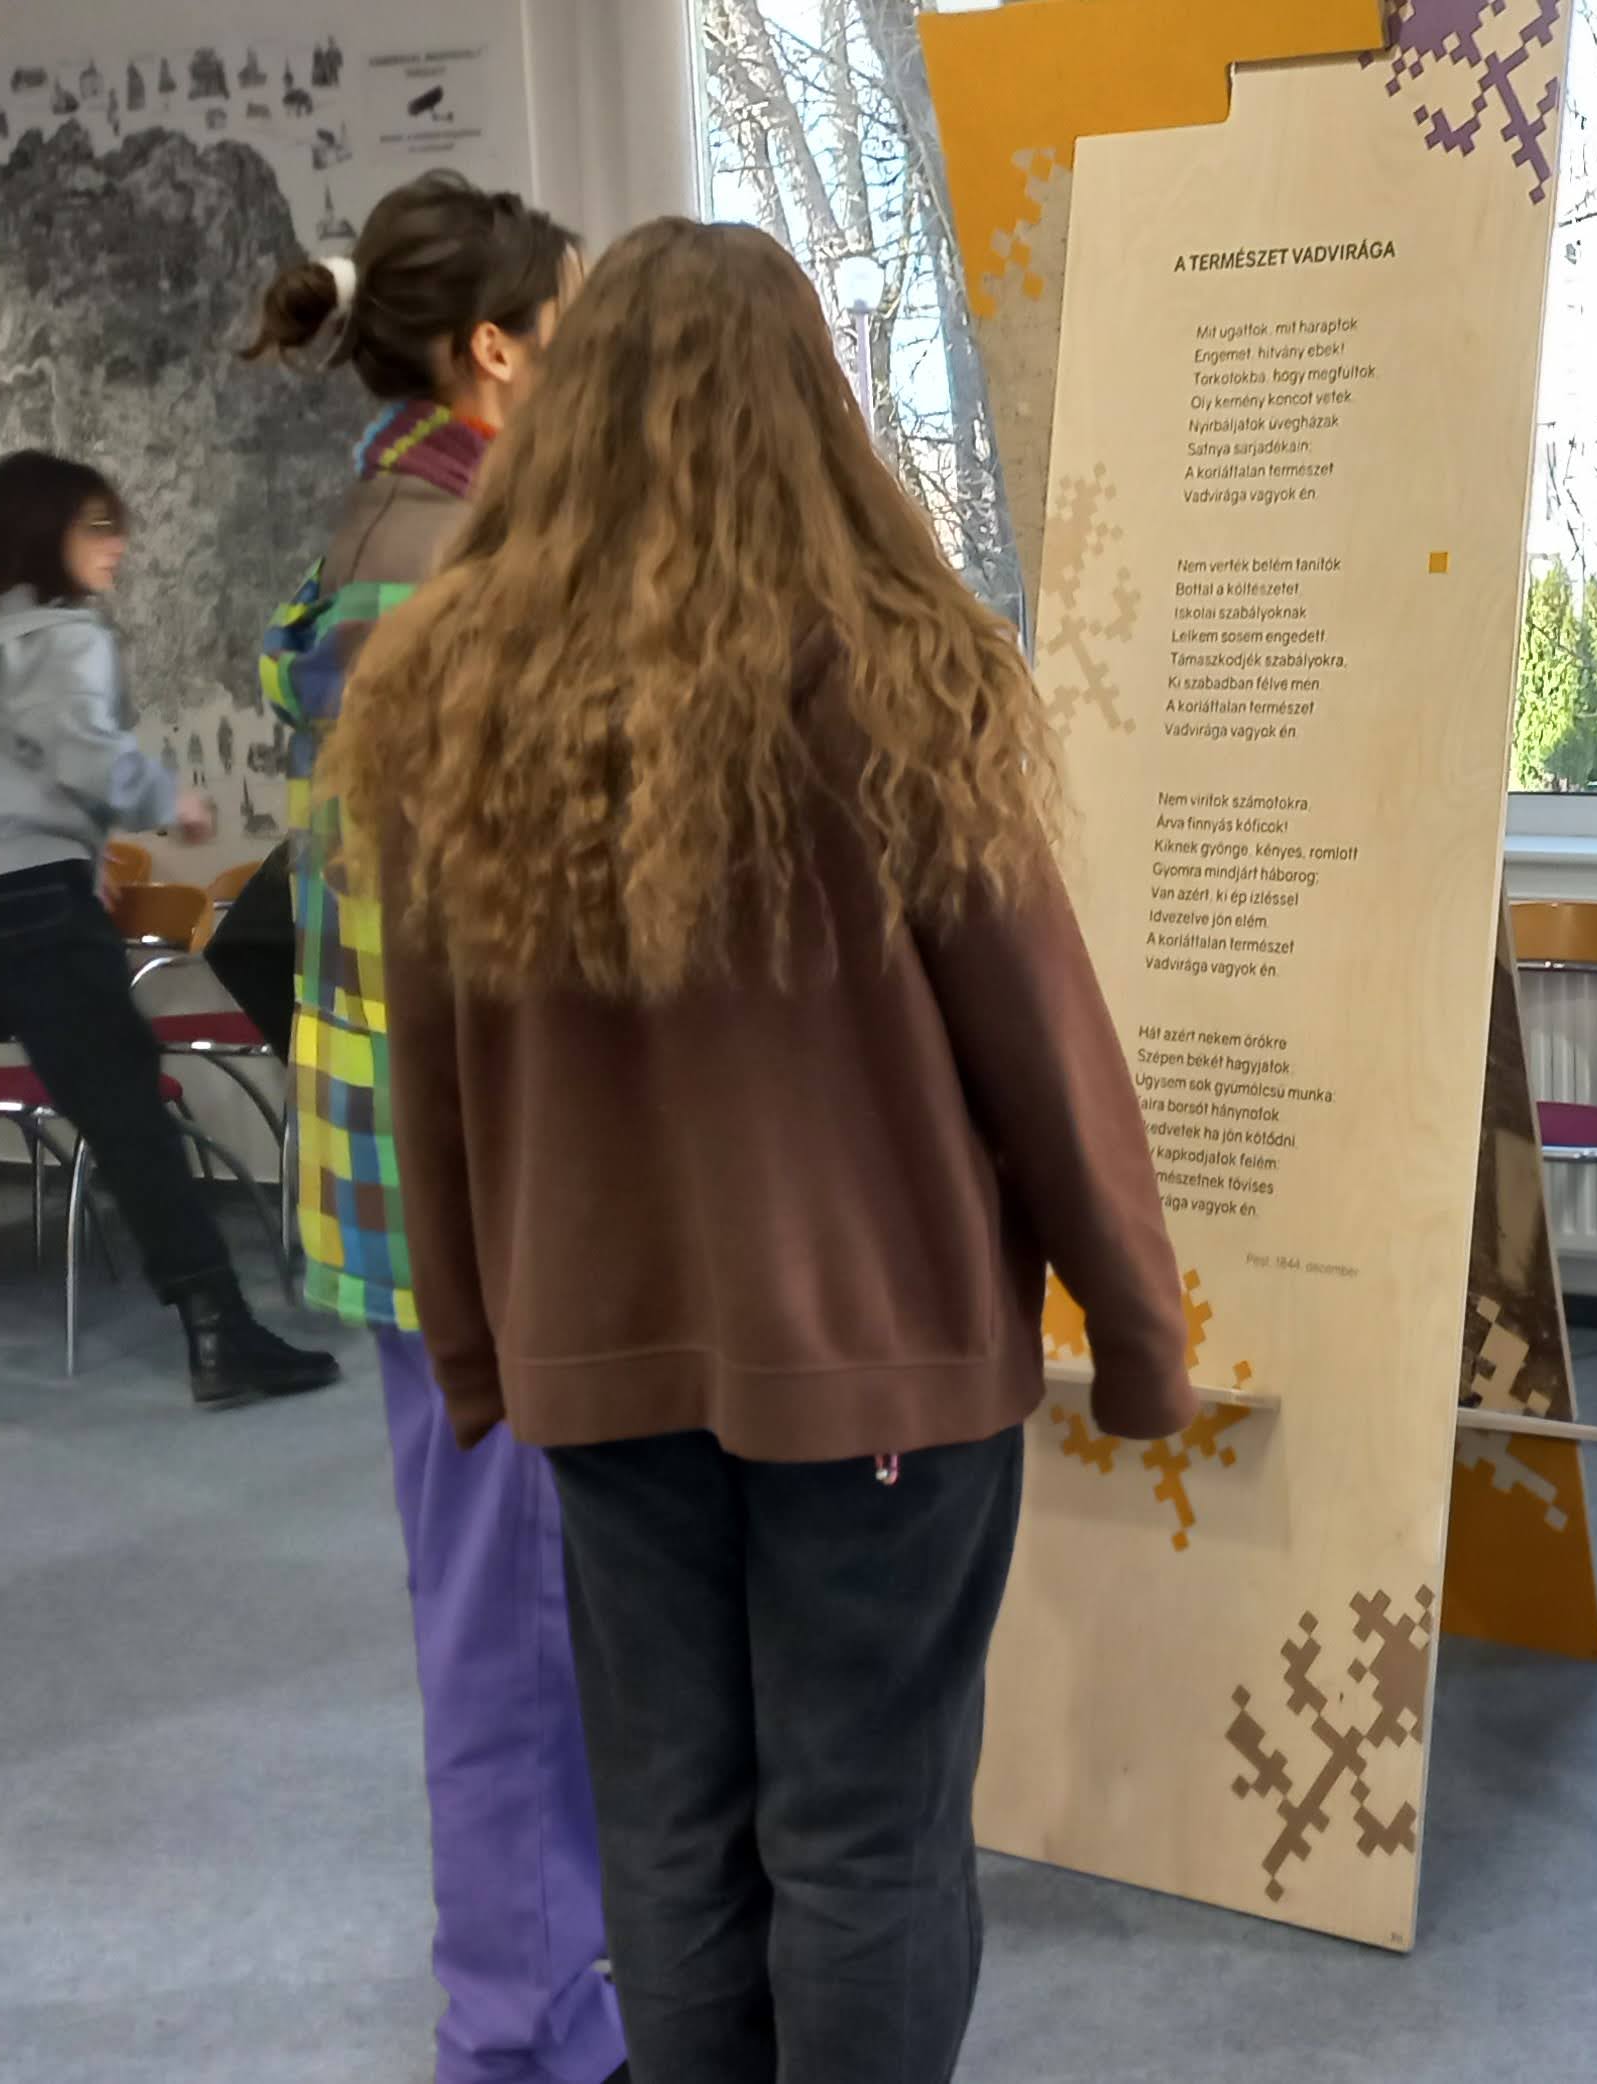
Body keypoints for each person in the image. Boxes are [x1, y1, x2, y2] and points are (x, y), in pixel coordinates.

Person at [333, 219, 1189, 2084]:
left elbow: (433, 1071)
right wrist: (1137, 1332)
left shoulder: (450, 688)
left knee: (667, 1818)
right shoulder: (898, 663)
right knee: (866, 1828)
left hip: (595, 1354)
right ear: (816, 406)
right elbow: (1041, 1043)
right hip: (879, 1352)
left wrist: (478, 1344)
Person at [244, 173, 619, 2084]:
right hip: (468, 1188)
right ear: (496, 349)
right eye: (572, 325)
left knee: (516, 1601)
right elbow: (496, 915)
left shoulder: (395, 518)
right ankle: (522, 2026)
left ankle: (551, 1987)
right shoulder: (447, 571)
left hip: (422, 1171)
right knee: (510, 1621)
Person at [0, 450, 341, 1405]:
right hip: (16, 892)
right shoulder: (58, 634)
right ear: (43, 530)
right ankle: (219, 1331)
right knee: (125, 1107)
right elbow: (86, 756)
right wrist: (169, 799)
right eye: (97, 525)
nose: (117, 544)